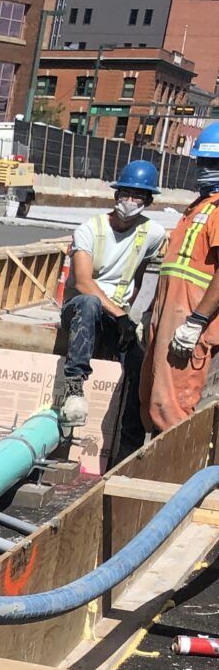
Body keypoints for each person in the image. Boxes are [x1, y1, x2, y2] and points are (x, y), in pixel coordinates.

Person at [57, 160, 165, 464]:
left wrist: (135, 317)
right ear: (116, 194)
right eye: (126, 193)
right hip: (79, 310)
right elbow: (82, 281)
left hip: (115, 314)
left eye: (138, 197)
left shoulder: (152, 234)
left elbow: (143, 272)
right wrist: (119, 315)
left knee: (137, 361)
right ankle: (74, 387)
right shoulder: (91, 229)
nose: (130, 201)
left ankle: (126, 449)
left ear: (148, 202)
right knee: (90, 304)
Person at [140, 119, 219, 434]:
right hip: (172, 318)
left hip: (191, 322)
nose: (204, 169)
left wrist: (197, 321)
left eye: (212, 164)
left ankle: (177, 478)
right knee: (154, 397)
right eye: (202, 161)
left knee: (176, 404)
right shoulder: (198, 207)